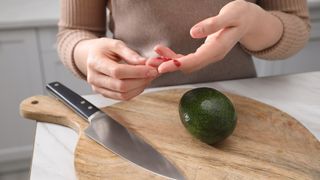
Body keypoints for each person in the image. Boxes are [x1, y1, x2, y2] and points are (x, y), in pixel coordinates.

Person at [57, 0, 310, 100]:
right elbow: (73, 31)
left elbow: (295, 22)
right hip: (137, 108)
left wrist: (253, 23)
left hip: (240, 107)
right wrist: (88, 54)